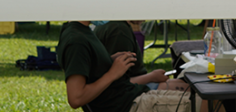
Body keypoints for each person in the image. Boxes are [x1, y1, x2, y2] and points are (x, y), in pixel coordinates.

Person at [57, 20, 194, 112]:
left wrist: (109, 61)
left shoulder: (80, 30)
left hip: (129, 96)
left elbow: (91, 67)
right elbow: (76, 98)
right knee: (204, 102)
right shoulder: (77, 40)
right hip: (125, 104)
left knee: (199, 95)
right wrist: (113, 73)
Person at [95, 21, 170, 89]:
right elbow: (119, 84)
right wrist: (152, 77)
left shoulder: (112, 25)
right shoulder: (119, 31)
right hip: (125, 94)